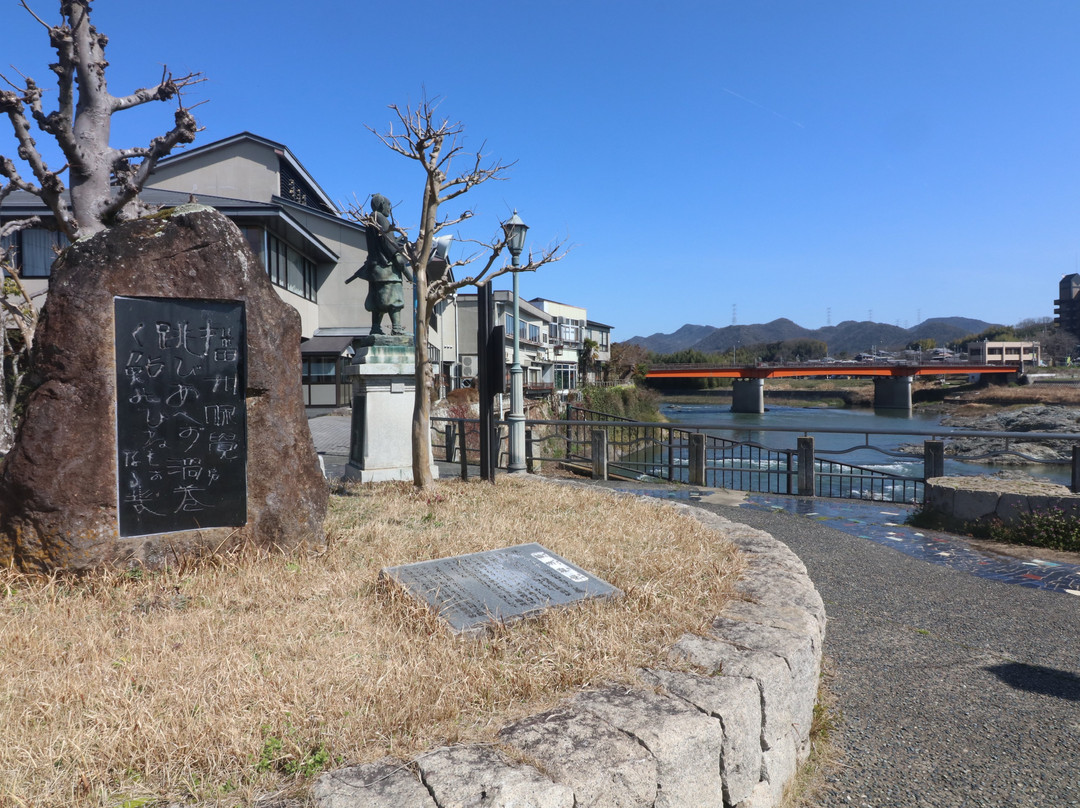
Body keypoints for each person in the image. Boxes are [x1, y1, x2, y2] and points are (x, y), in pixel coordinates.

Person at [346, 194, 412, 335]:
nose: (390, 209)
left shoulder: (370, 220)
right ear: (382, 205)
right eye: (389, 205)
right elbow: (388, 244)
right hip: (387, 268)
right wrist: (402, 264)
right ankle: (396, 328)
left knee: (376, 301)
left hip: (374, 269)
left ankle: (375, 327)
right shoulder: (381, 218)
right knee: (394, 299)